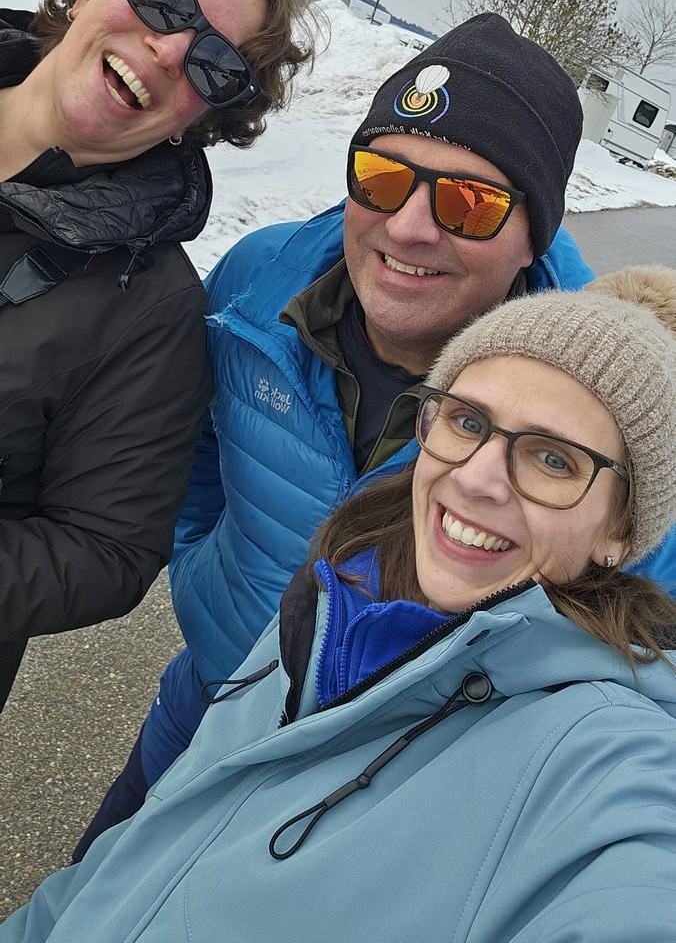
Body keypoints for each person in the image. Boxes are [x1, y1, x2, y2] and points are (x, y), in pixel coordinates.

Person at [5, 264, 676, 942]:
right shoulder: (338, 594)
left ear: (620, 534)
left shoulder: (600, 759)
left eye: (554, 460)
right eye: (468, 421)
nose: (476, 479)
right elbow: (129, 864)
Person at [75, 10, 607, 853]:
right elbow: (191, 449)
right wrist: (204, 572)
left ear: (531, 240)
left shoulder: (597, 420)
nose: (409, 227)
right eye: (383, 176)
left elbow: (627, 663)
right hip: (205, 702)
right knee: (86, 894)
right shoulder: (255, 281)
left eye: (470, 203)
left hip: (369, 798)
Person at [0, 0, 312, 710]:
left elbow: (106, 549)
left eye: (215, 64)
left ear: (197, 120)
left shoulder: (152, 309)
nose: (171, 50)